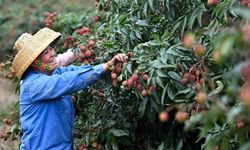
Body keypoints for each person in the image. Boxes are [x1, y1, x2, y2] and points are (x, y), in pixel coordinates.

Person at [12, 27, 127, 150]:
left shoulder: (52, 73)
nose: (53, 54)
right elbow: (69, 80)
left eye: (51, 49)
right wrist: (105, 66)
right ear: (35, 62)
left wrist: (107, 64)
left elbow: (76, 71)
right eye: (46, 52)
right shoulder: (33, 85)